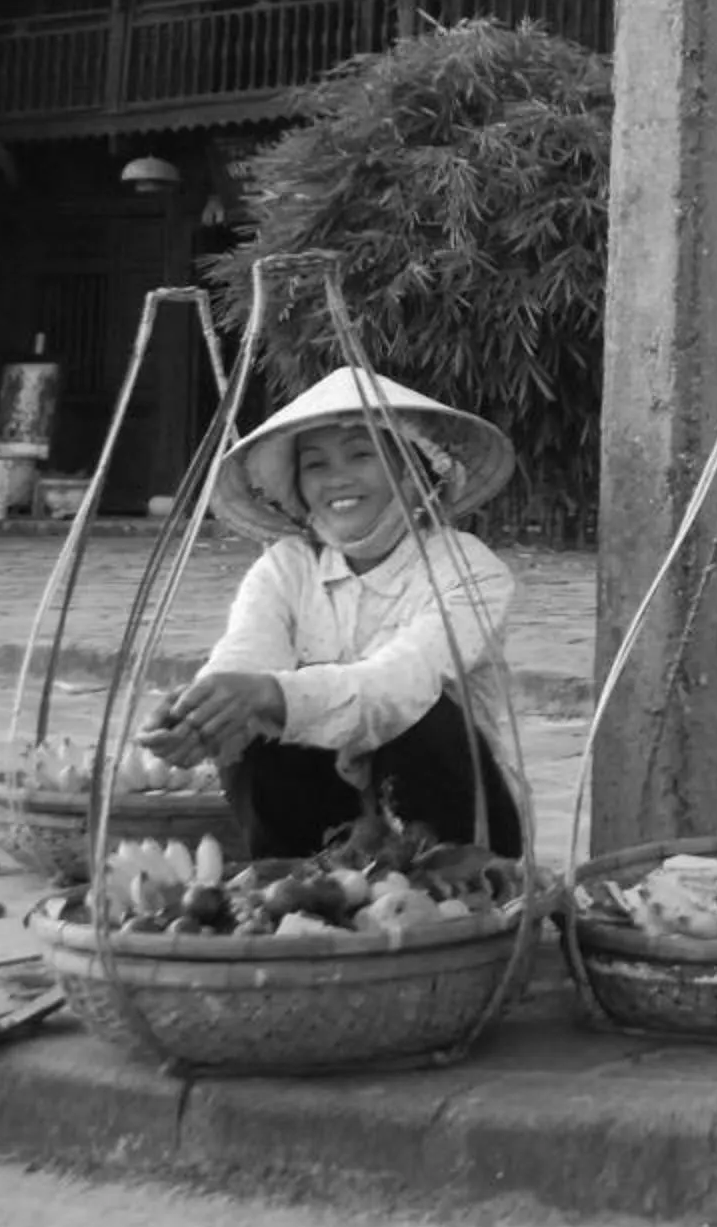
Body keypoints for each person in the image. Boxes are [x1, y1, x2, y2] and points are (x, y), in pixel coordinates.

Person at [138, 368, 528, 862]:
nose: (337, 478)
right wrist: (200, 715)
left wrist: (271, 692)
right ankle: (295, 882)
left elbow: (398, 682)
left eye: (361, 455)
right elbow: (245, 654)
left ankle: (458, 891)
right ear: (298, 488)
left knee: (423, 711)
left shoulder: (468, 568)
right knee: (254, 722)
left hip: (454, 817)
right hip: (327, 822)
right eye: (315, 464)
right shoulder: (286, 567)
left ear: (412, 473)